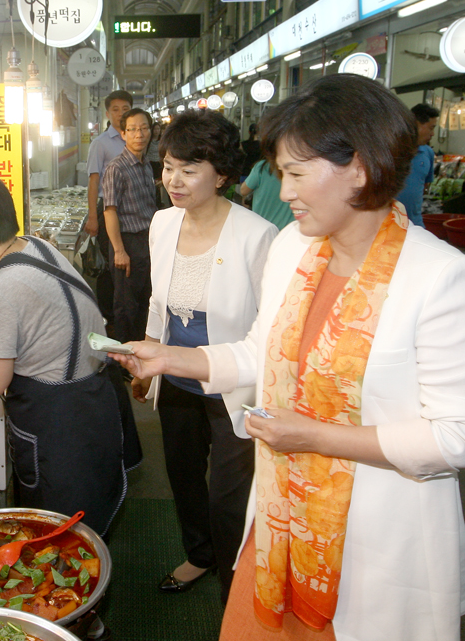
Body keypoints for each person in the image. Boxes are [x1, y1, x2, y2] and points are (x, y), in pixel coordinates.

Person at [112, 75, 465, 641]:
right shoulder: (296, 249)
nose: (285, 191)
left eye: (297, 173)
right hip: (278, 522)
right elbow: (261, 352)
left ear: (362, 168)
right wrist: (169, 359)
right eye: (281, 173)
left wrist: (315, 436)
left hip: (373, 539)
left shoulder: (444, 278)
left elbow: (460, 435)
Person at [0, 169, 139, 540]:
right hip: (93, 400)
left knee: (60, 530)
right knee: (89, 520)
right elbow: (43, 310)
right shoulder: (35, 245)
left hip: (58, 423)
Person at [133, 110, 277, 602]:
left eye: (189, 170)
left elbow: (269, 325)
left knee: (229, 495)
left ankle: (234, 585)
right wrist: (149, 364)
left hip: (234, 385)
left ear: (221, 174)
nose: (173, 180)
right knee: (183, 474)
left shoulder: (256, 235)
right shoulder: (162, 223)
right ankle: (200, 554)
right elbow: (158, 301)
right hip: (175, 379)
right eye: (168, 166)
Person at [102, 108, 157, 345]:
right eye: (133, 129)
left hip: (148, 240)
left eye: (144, 128)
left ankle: (142, 350)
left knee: (147, 298)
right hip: (128, 242)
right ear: (123, 134)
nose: (139, 134)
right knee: (126, 303)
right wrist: (119, 250)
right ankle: (124, 357)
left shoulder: (145, 165)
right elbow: (109, 210)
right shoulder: (117, 168)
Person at [86, 90, 133, 328]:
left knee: (127, 261)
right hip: (106, 209)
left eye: (125, 109)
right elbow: (94, 181)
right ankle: (107, 318)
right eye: (115, 109)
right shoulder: (101, 143)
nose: (120, 114)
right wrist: (92, 217)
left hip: (131, 212)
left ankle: (125, 311)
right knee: (109, 264)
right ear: (107, 113)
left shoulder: (136, 140)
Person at [396, 103, 438, 227]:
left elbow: (424, 186)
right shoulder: (391, 151)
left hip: (416, 225)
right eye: (431, 128)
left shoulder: (428, 153)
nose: (433, 134)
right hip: (389, 226)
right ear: (415, 123)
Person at [240, 158, 294, 230]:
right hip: (288, 230)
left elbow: (243, 190)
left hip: (262, 228)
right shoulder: (296, 168)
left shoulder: (262, 167)